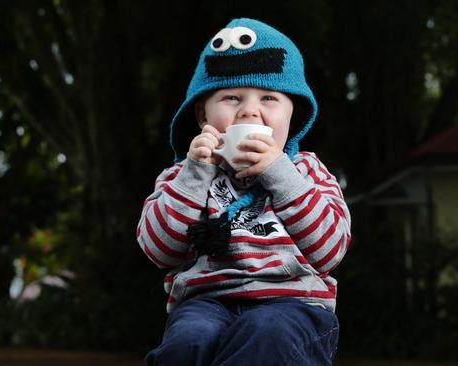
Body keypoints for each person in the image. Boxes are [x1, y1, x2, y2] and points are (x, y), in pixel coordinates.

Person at [137, 18, 351, 366]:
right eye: (231, 97)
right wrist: (195, 173)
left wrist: (279, 171)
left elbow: (331, 251)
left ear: (292, 115)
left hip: (295, 309)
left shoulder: (308, 171)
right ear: (201, 114)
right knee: (188, 342)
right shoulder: (183, 174)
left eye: (269, 97)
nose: (250, 110)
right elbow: (158, 250)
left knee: (266, 333)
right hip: (206, 304)